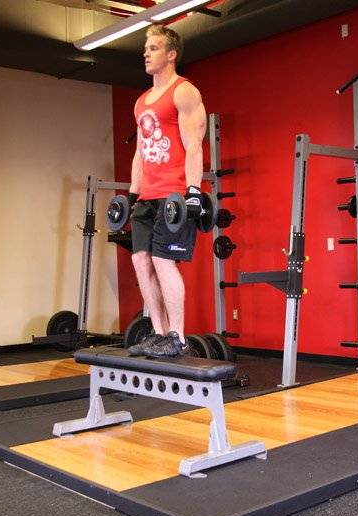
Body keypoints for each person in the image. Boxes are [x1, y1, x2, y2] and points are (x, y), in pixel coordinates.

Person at [126, 24, 207, 357]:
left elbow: (194, 144)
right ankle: (159, 333)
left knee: (162, 260)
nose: (146, 53)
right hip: (147, 196)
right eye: (146, 48)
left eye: (154, 48)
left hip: (174, 195)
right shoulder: (141, 102)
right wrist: (132, 195)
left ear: (171, 54)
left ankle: (178, 336)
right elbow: (140, 152)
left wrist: (193, 191)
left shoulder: (183, 91)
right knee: (140, 259)